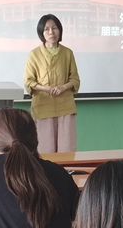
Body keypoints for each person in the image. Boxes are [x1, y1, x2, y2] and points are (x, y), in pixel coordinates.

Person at [23, 14, 80, 153]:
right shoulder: (34, 54)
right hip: (43, 108)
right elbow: (29, 81)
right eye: (47, 29)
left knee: (67, 149)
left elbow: (75, 79)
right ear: (41, 33)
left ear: (59, 30)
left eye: (54, 28)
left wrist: (63, 87)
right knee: (45, 151)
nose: (51, 32)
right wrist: (46, 88)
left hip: (65, 107)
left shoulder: (68, 53)